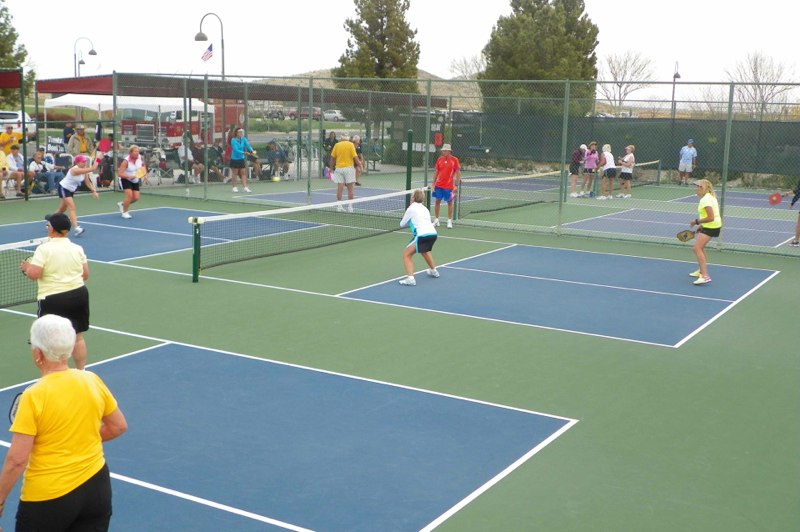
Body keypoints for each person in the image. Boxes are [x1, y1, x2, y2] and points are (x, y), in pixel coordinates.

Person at [0, 314, 127, 530]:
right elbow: (118, 426)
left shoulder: (34, 396)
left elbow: (17, 460)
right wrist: (78, 441)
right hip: (96, 489)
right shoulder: (91, 380)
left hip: (48, 499)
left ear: (38, 354)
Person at [19, 212, 92, 368]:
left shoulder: (43, 249)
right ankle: (82, 371)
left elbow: (34, 274)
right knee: (78, 337)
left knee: (48, 339)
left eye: (48, 225)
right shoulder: (77, 248)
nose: (47, 227)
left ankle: (54, 371)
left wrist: (27, 268)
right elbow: (85, 274)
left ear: (52, 229)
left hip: (53, 299)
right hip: (79, 294)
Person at [398, 188, 439, 286]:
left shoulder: (411, 209)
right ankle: (434, 271)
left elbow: (401, 224)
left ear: (413, 198)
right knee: (424, 251)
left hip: (422, 235)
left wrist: (409, 215)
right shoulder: (425, 209)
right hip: (433, 234)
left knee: (406, 255)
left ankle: (410, 279)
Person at [688, 179, 722, 285]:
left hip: (711, 226)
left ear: (702, 188)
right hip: (713, 226)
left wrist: (696, 222)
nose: (696, 188)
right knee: (700, 248)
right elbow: (710, 216)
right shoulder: (708, 197)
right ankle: (701, 271)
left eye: (697, 186)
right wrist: (701, 226)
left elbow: (710, 217)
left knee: (696, 248)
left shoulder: (705, 200)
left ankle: (705, 276)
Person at [57, 154, 99, 235]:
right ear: (78, 162)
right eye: (83, 162)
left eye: (85, 161)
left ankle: (50, 221)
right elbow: (93, 168)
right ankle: (76, 228)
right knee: (72, 207)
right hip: (63, 188)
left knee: (62, 209)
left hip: (71, 190)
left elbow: (87, 182)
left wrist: (93, 191)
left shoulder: (84, 170)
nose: (85, 163)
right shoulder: (75, 170)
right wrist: (98, 159)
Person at [432, 143, 461, 228]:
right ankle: (436, 220)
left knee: (450, 202)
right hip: (439, 186)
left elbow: (458, 173)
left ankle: (449, 221)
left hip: (449, 187)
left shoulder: (454, 160)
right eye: (443, 150)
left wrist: (456, 185)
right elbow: (436, 172)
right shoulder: (439, 159)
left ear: (449, 151)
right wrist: (433, 183)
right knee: (437, 201)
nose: (443, 152)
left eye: (445, 150)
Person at [329, 133, 361, 211]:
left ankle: (339, 206)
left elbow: (333, 158)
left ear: (341, 138)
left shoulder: (337, 145)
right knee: (350, 188)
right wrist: (360, 165)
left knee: (340, 187)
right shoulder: (351, 145)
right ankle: (350, 207)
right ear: (347, 138)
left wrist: (331, 168)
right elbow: (355, 157)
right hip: (349, 168)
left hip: (339, 169)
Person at [116, 145, 146, 219]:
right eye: (135, 151)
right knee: (129, 195)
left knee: (136, 198)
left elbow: (143, 166)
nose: (137, 153)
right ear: (130, 152)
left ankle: (122, 204)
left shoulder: (140, 158)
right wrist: (129, 177)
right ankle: (125, 212)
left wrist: (145, 174)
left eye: (138, 151)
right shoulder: (126, 161)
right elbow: (119, 173)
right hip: (125, 179)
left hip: (135, 180)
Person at [229, 128, 254, 193]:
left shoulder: (243, 139)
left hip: (241, 159)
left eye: (242, 132)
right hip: (234, 159)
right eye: (240, 132)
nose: (241, 133)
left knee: (243, 173)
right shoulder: (233, 140)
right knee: (235, 173)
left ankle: (245, 187)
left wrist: (251, 150)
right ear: (236, 133)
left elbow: (248, 146)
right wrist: (244, 153)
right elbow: (235, 149)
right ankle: (234, 187)